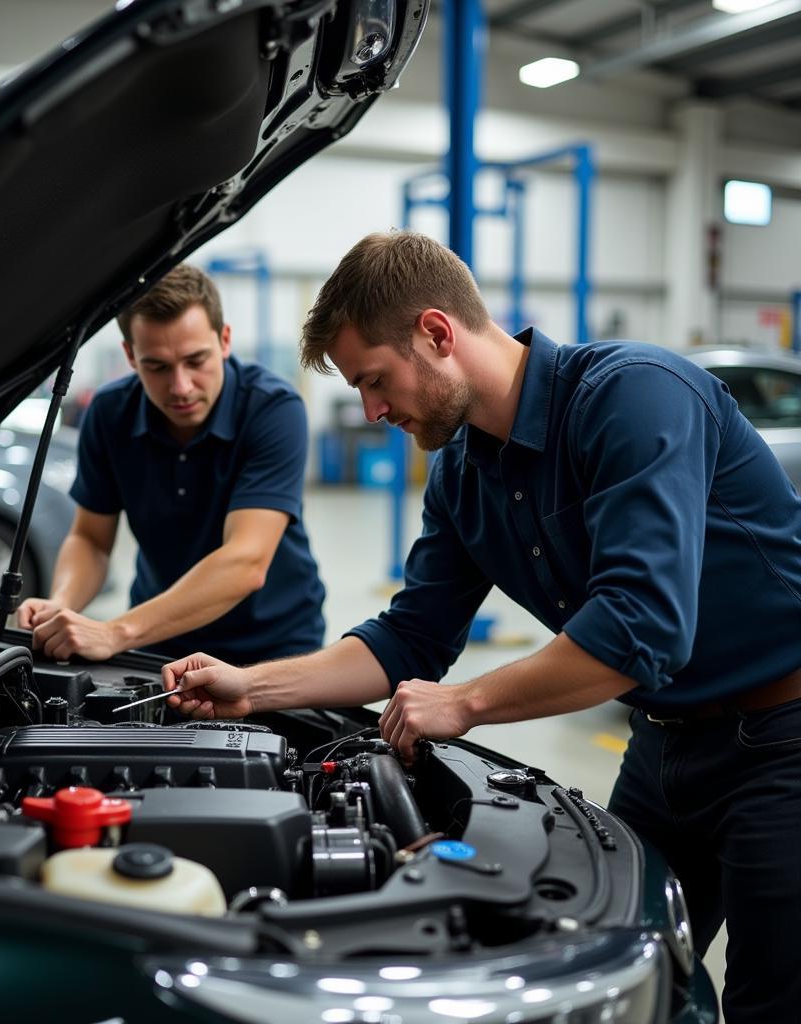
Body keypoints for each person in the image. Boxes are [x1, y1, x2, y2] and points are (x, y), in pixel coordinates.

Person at [162, 231, 801, 1022]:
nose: (371, 410)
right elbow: (410, 637)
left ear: (437, 333)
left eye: (374, 380)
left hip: (783, 738)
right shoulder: (464, 473)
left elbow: (642, 629)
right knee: (619, 969)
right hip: (666, 740)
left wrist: (462, 704)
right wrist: (250, 687)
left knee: (774, 999)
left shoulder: (633, 397)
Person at [17, 263, 325, 664]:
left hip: (272, 648)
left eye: (196, 361)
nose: (180, 387)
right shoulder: (110, 414)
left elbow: (245, 561)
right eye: (158, 367)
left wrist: (114, 632)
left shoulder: (272, 409)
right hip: (157, 645)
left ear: (225, 340)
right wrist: (62, 603)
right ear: (130, 356)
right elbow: (91, 539)